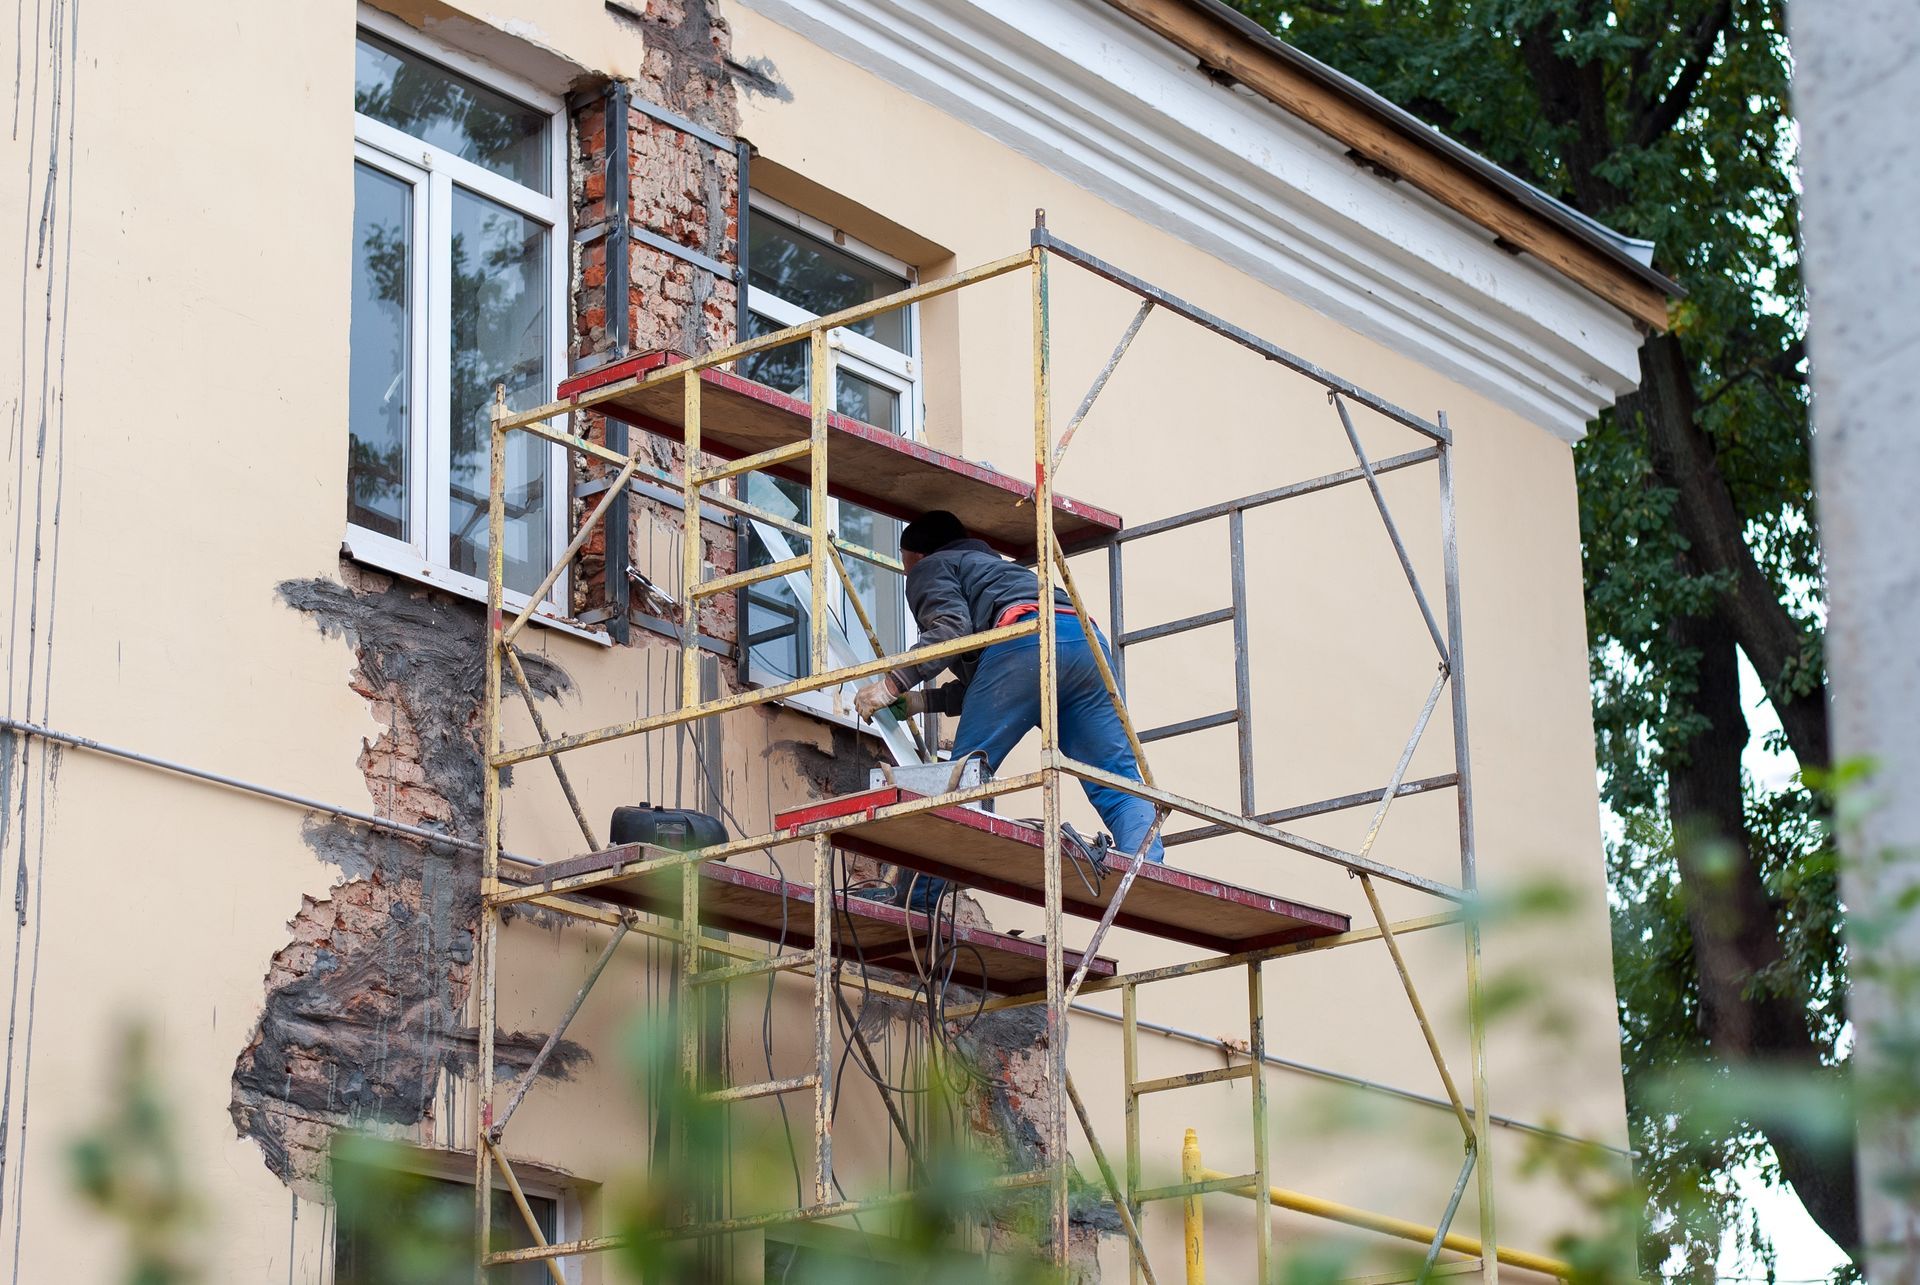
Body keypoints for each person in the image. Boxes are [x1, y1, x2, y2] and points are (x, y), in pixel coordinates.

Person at [852, 511, 1163, 908]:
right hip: (1086, 645)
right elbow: (992, 683)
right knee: (1116, 780)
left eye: (904, 561)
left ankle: (919, 896)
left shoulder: (930, 567)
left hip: (1026, 640)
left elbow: (952, 630)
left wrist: (891, 683)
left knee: (962, 779)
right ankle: (1147, 864)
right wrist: (919, 701)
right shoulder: (997, 571)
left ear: (916, 554)